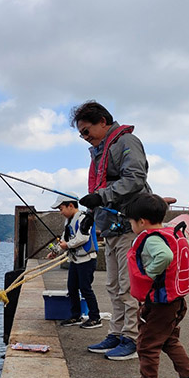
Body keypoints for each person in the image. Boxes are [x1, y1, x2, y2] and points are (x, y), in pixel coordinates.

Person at [70, 101, 151, 360]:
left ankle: (132, 338)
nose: (84, 138)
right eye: (81, 133)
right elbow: (100, 192)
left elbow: (135, 178)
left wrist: (100, 197)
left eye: (86, 131)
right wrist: (90, 217)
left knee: (129, 287)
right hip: (112, 229)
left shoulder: (126, 142)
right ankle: (116, 332)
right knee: (113, 285)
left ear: (103, 121)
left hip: (130, 225)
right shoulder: (99, 152)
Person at [121, 193, 189, 378]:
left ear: (141, 221)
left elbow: (165, 256)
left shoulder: (151, 239)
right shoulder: (172, 234)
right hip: (176, 301)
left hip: (160, 303)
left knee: (147, 344)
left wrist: (149, 273)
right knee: (168, 339)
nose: (132, 226)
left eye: (132, 222)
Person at [47, 193, 102, 329]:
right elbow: (65, 239)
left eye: (61, 209)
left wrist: (68, 245)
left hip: (87, 260)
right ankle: (75, 315)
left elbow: (82, 238)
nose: (60, 213)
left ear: (70, 205)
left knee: (85, 289)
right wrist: (55, 252)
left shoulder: (85, 218)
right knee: (72, 288)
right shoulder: (68, 221)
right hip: (75, 260)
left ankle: (95, 318)